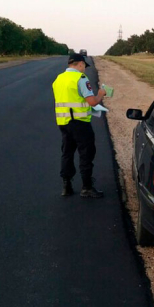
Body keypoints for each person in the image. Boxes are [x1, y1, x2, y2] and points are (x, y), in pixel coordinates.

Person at [52, 53, 106, 198]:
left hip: (63, 122)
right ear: (80, 64)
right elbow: (92, 102)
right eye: (84, 66)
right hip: (79, 123)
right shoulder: (80, 78)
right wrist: (100, 94)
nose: (85, 69)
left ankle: (66, 186)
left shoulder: (59, 78)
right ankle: (87, 187)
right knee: (86, 153)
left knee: (67, 153)